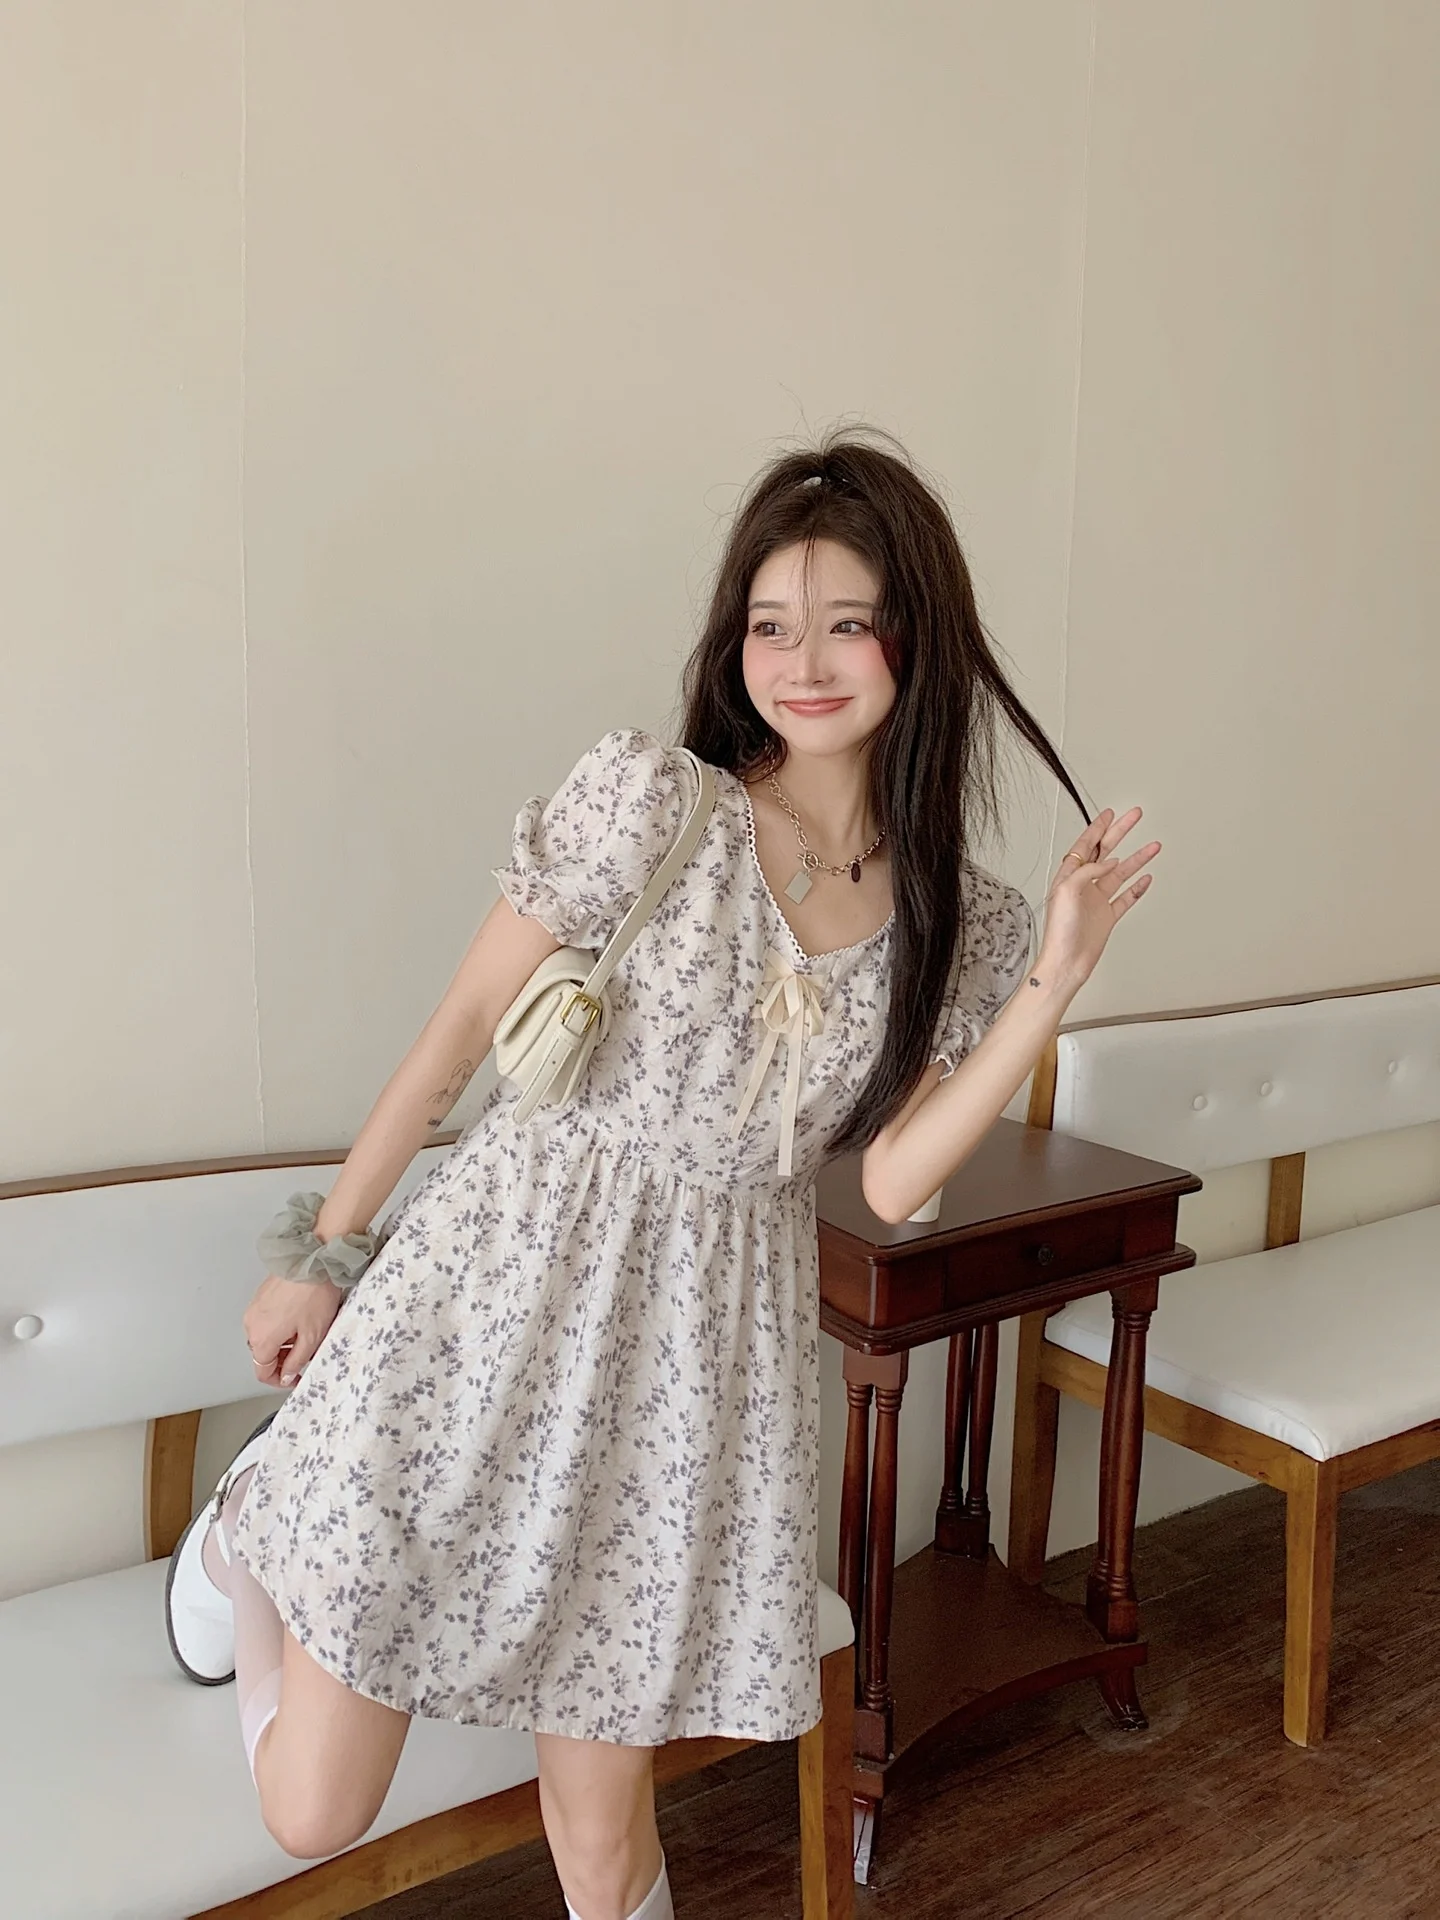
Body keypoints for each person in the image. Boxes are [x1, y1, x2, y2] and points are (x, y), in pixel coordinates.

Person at [164, 429, 1160, 1920]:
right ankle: (256, 1519)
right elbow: (457, 1036)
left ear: (917, 640)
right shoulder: (651, 806)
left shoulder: (963, 924)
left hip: (696, 1373)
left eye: (845, 623)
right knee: (314, 1814)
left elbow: (894, 1183)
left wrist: (1052, 987)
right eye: (770, 624)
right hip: (493, 1301)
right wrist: (325, 1252)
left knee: (604, 1830)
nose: (802, 663)